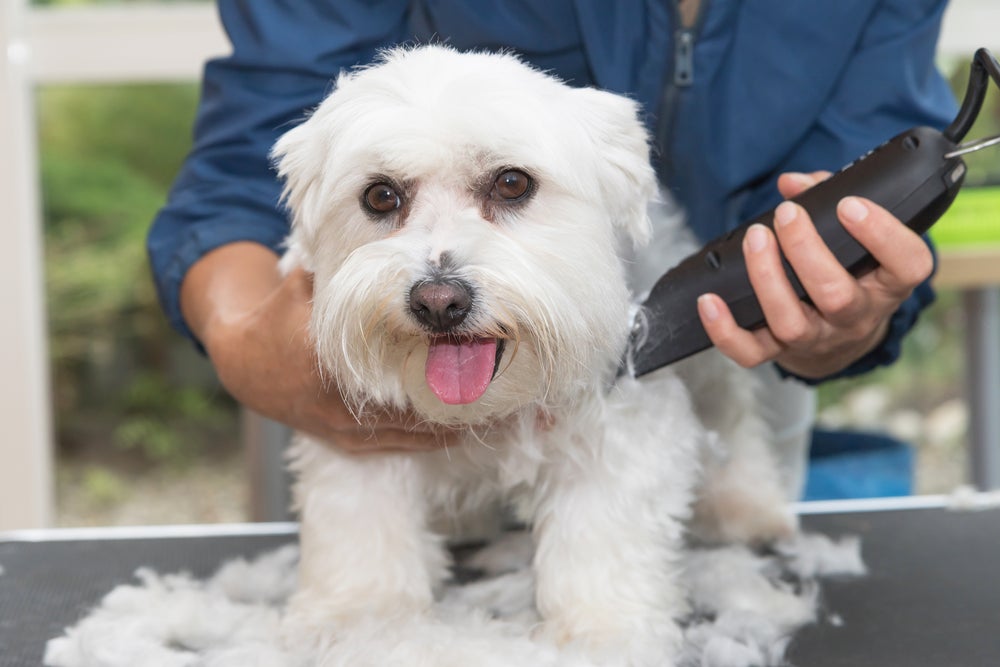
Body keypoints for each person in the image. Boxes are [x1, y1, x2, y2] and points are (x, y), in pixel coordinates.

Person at [148, 1, 956, 467]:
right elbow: (242, 165)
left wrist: (843, 318)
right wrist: (242, 334)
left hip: (726, 361)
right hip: (374, 416)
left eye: (508, 185)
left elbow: (862, 180)